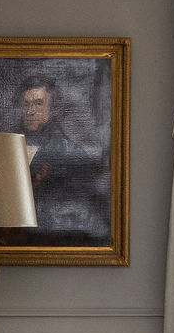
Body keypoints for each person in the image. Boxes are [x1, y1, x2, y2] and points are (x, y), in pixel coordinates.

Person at [10, 73, 106, 238]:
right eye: (26, 104)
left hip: (54, 233)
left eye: (38, 103)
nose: (30, 111)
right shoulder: (9, 145)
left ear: (52, 109)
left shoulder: (68, 150)